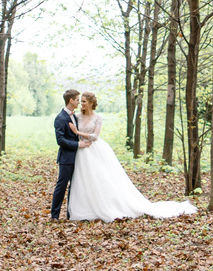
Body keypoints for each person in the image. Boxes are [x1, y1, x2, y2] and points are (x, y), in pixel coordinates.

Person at [66, 91, 197, 223]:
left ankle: (106, 205)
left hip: (96, 149)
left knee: (101, 178)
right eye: (80, 101)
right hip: (82, 150)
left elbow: (95, 136)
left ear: (91, 103)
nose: (81, 104)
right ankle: (85, 208)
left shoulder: (98, 117)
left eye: (83, 101)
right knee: (84, 179)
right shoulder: (78, 117)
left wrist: (78, 132)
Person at [50, 88, 91, 220]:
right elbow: (60, 140)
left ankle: (71, 214)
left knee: (75, 187)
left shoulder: (75, 116)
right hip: (66, 158)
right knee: (62, 186)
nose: (79, 102)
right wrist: (78, 145)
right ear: (71, 100)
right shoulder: (60, 118)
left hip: (79, 158)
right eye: (78, 100)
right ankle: (54, 215)